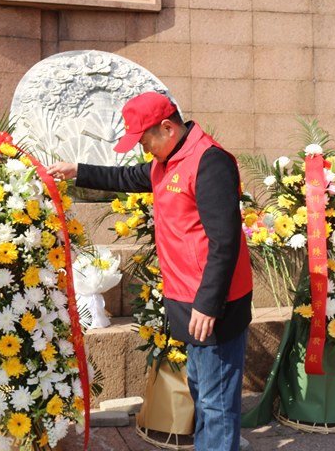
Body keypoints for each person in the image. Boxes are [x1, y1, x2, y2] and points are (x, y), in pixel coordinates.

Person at [47, 92, 253, 451]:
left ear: (167, 127)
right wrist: (76, 171)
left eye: (145, 141)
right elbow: (127, 177)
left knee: (216, 405)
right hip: (187, 299)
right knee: (203, 393)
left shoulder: (209, 162)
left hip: (213, 306)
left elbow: (226, 241)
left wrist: (208, 304)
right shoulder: (168, 161)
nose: (144, 151)